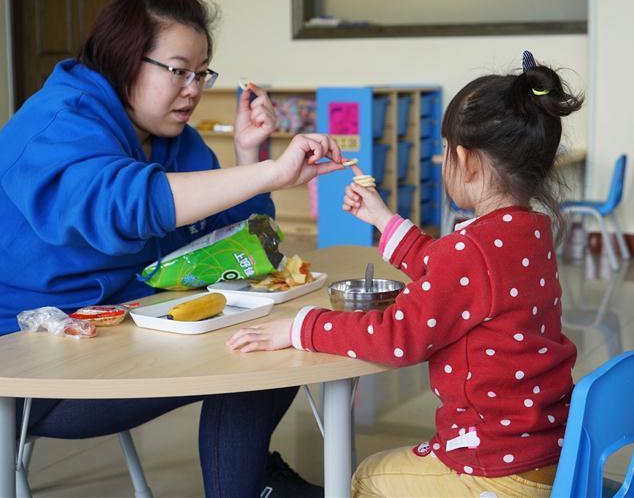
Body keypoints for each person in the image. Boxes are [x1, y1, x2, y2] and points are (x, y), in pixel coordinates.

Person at [0, 0, 344, 497]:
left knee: (276, 338)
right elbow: (126, 204)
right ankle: (250, 483)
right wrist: (269, 173)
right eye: (179, 70)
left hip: (108, 327)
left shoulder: (170, 136)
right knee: (254, 356)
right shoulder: (55, 121)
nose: (194, 88)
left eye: (201, 72)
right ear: (122, 59)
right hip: (2, 354)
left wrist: (250, 156)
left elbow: (233, 248)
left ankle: (250, 480)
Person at [228, 51, 584, 497]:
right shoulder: (527, 233)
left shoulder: (470, 251)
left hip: (493, 469)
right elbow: (452, 272)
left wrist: (301, 327)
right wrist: (382, 219)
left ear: (465, 160)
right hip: (547, 452)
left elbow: (396, 336)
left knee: (366, 478)